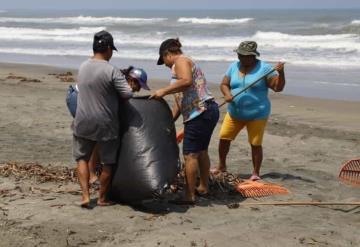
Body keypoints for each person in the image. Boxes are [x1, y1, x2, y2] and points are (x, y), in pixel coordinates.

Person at [73, 30, 139, 207]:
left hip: (82, 120)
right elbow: (127, 94)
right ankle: (102, 198)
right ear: (108, 48)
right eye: (112, 50)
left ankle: (85, 196)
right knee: (108, 162)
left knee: (82, 158)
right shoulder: (111, 70)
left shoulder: (83, 66)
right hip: (106, 123)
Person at [151, 38, 219, 205]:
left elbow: (187, 81)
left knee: (190, 155)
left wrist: (163, 91)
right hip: (206, 110)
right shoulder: (184, 64)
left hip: (200, 112)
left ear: (167, 54)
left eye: (164, 61)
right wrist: (169, 121)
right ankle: (203, 187)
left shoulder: (181, 61)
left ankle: (189, 195)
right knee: (201, 151)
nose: (166, 65)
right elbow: (179, 103)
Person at [212, 41, 285, 181]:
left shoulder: (264, 69)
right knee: (224, 137)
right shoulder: (234, 66)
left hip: (257, 114)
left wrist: (281, 73)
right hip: (235, 112)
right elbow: (224, 84)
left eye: (246, 56)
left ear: (253, 56)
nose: (242, 58)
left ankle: (256, 173)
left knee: (255, 143)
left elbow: (278, 87)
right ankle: (222, 166)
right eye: (240, 55)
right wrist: (227, 94)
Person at [67, 66, 149, 187]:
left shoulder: (121, 84)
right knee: (95, 137)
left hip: (87, 100)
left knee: (98, 134)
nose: (138, 90)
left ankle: (92, 167)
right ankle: (91, 175)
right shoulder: (119, 84)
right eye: (139, 86)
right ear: (132, 80)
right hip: (77, 98)